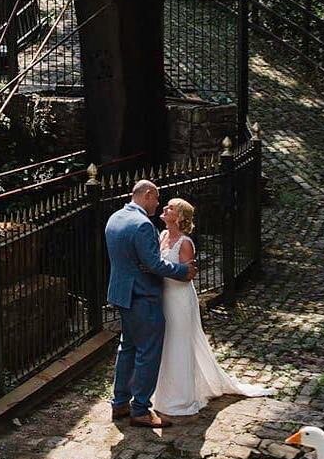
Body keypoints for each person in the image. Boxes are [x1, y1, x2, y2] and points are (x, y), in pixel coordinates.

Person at [151, 198, 273, 420]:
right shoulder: (161, 236)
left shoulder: (185, 243)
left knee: (179, 343)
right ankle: (162, 392)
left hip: (179, 298)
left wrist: (162, 271)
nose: (164, 209)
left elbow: (188, 276)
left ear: (178, 217)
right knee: (165, 343)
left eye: (170, 208)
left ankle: (181, 398)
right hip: (163, 297)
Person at [105, 179, 195, 428]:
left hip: (121, 294)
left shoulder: (115, 217)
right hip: (143, 296)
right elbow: (154, 264)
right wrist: (181, 271)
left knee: (128, 348)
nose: (157, 203)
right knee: (148, 351)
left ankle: (119, 403)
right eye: (156, 198)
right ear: (146, 195)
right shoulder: (143, 224)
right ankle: (141, 409)